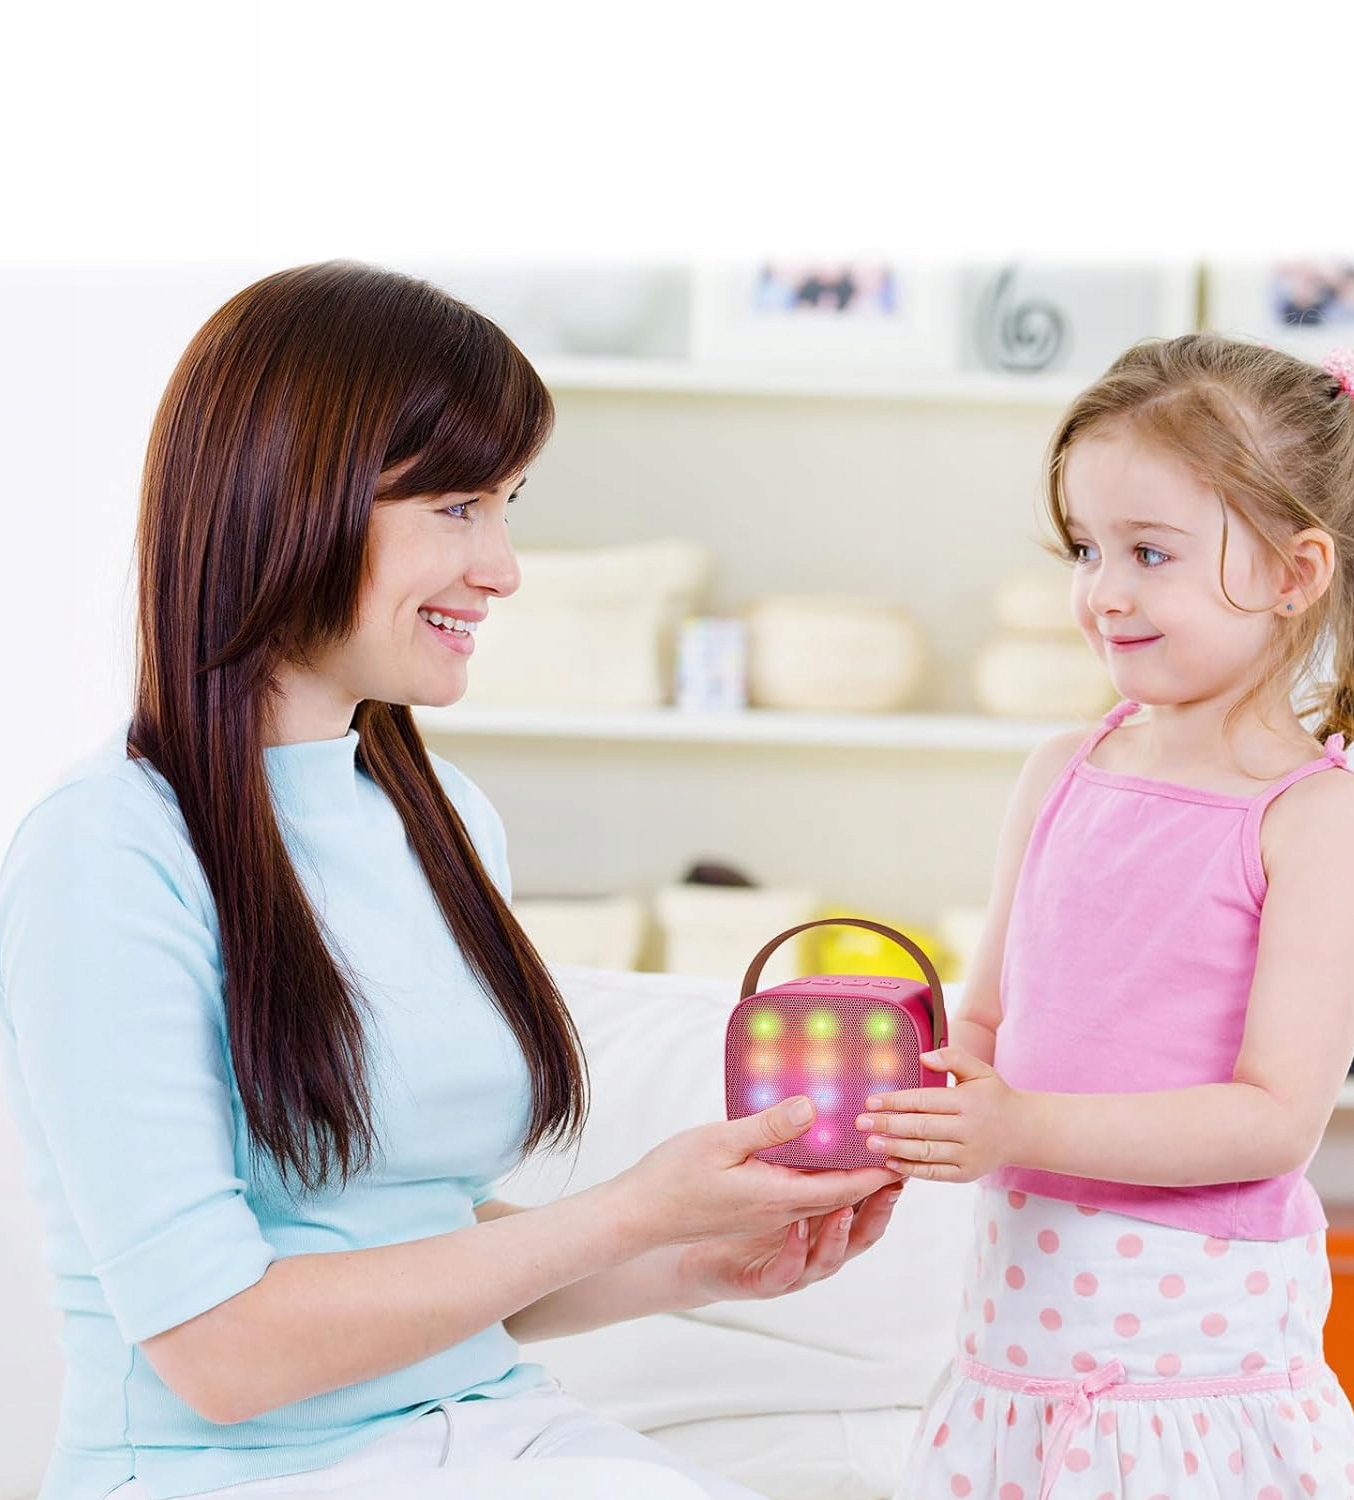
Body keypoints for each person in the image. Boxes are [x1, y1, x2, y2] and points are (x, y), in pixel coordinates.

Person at [0, 262, 901, 1500]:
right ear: (292, 501)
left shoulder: (443, 820)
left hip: (488, 1430)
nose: (505, 568)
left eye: (507, 505)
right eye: (460, 507)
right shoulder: (108, 850)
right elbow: (218, 1351)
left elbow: (421, 1243)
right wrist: (632, 1212)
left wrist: (696, 1262)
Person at [862, 334, 1354, 1499]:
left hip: (1193, 1365)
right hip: (1020, 1335)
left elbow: (1272, 1121)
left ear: (1294, 572)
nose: (1103, 591)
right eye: (1086, 548)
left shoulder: (1315, 821)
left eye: (1150, 553)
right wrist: (904, 1115)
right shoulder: (1061, 771)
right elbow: (988, 1021)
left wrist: (1018, 1126)